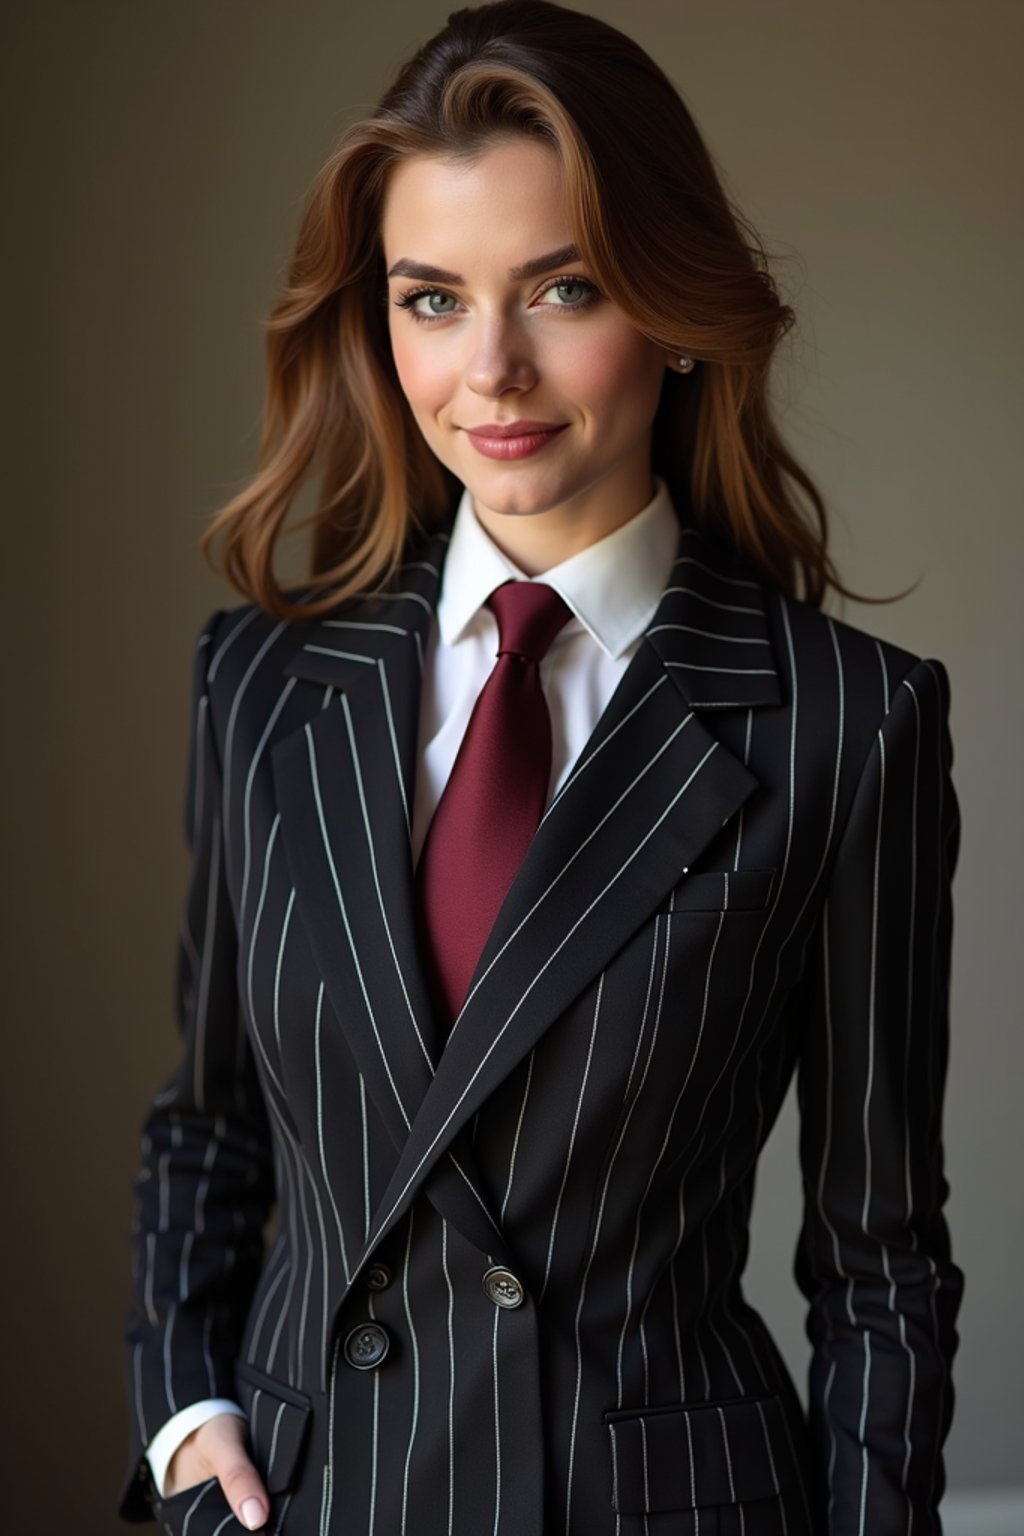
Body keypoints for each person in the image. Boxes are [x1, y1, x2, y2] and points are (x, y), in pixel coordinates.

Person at [119, 3, 963, 1532]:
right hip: (318, 1501)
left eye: (562, 289)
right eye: (432, 300)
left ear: (678, 303)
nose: (492, 369)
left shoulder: (845, 721)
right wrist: (187, 1415)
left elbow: (879, 1260)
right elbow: (210, 1124)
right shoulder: (260, 682)